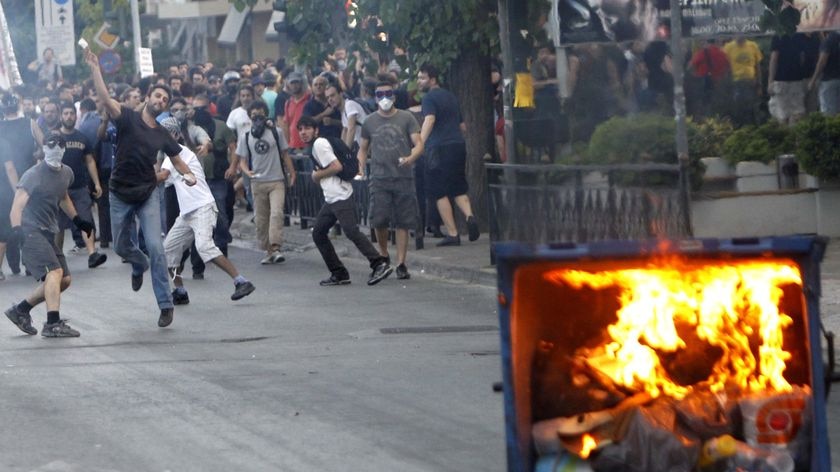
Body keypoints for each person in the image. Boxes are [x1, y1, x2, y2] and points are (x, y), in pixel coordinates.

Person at [85, 47, 197, 328]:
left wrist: (189, 176)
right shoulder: (126, 117)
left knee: (156, 248)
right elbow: (104, 98)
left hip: (147, 193)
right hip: (120, 193)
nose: (161, 99)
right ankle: (138, 264)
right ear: (147, 97)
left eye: (166, 98)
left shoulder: (162, 135)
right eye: (157, 95)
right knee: (123, 247)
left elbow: (177, 159)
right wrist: (95, 68)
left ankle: (165, 303)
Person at [4, 133, 95, 337]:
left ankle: (21, 310)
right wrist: (18, 230)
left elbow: (63, 196)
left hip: (47, 231)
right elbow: (16, 206)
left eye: (58, 145)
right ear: (44, 148)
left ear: (64, 149)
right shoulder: (33, 174)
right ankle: (52, 323)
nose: (54, 148)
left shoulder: (67, 173)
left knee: (65, 279)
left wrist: (78, 220)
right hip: (29, 230)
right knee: (54, 272)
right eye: (50, 145)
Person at [157, 118, 256, 304]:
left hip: (202, 207)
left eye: (167, 133)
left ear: (176, 135)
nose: (163, 137)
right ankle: (179, 291)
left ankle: (241, 281)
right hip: (186, 213)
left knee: (204, 247)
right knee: (168, 250)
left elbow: (162, 176)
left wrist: (138, 178)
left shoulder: (180, 153)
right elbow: (162, 176)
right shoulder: (168, 157)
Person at [297, 116, 392, 286]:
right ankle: (339, 273)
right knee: (318, 233)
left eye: (307, 128)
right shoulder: (318, 145)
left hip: (340, 195)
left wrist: (316, 175)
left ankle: (379, 263)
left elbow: (336, 167)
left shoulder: (319, 144)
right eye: (300, 129)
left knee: (351, 231)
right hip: (332, 198)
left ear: (316, 130)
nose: (303, 132)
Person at [357, 81, 423, 280]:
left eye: (388, 93)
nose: (384, 98)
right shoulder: (369, 121)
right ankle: (384, 254)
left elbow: (419, 143)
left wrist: (411, 158)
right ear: (375, 97)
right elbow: (363, 148)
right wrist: (360, 165)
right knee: (379, 218)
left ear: (394, 95)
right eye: (380, 94)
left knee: (403, 221)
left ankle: (401, 262)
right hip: (379, 175)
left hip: (403, 176)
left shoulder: (406, 117)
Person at [417, 64, 479, 246]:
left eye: (422, 78)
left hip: (438, 148)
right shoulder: (451, 97)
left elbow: (430, 119)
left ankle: (452, 233)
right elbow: (462, 127)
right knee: (458, 187)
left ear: (432, 79)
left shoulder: (429, 98)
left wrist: (420, 143)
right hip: (458, 145)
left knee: (439, 191)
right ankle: (470, 216)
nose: (419, 81)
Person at [236, 101, 296, 264]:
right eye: (254, 114)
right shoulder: (245, 136)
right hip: (257, 182)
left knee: (276, 213)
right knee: (261, 219)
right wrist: (247, 172)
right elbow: (242, 160)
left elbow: (285, 154)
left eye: (260, 113)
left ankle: (276, 247)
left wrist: (292, 172)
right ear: (249, 117)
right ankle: (268, 251)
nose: (257, 117)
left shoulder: (276, 132)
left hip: (276, 180)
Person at [54, 102, 107, 269]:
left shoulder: (81, 137)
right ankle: (57, 258)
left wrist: (97, 184)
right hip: (59, 189)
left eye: (71, 113)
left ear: (76, 116)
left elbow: (90, 161)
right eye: (66, 113)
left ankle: (92, 254)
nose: (69, 116)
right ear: (61, 116)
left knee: (86, 220)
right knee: (58, 226)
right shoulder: (54, 138)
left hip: (80, 187)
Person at [0, 92, 39, 280]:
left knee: (7, 224)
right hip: (28, 180)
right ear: (18, 106)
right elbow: (43, 145)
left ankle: (13, 262)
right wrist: (35, 156)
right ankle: (29, 263)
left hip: (5, 185)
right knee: (28, 222)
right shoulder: (30, 123)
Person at [325, 83, 367, 149]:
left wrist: (347, 153)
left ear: (341, 94)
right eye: (327, 97)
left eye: (332, 95)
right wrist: (342, 151)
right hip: (361, 148)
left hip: (367, 148)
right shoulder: (343, 112)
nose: (330, 99)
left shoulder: (349, 105)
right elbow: (345, 131)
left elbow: (351, 129)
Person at [809, 32, 840, 116]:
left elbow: (822, 61)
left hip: (829, 80)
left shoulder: (828, 41)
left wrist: (813, 80)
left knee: (829, 112)